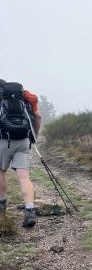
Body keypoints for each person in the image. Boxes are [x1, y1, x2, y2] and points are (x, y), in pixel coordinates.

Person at [0, 80, 42, 227]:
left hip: (3, 140)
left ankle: (2, 211)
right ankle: (30, 211)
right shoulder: (24, 95)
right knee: (24, 177)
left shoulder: (1, 97)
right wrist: (34, 136)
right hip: (23, 139)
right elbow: (38, 116)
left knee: (1, 172)